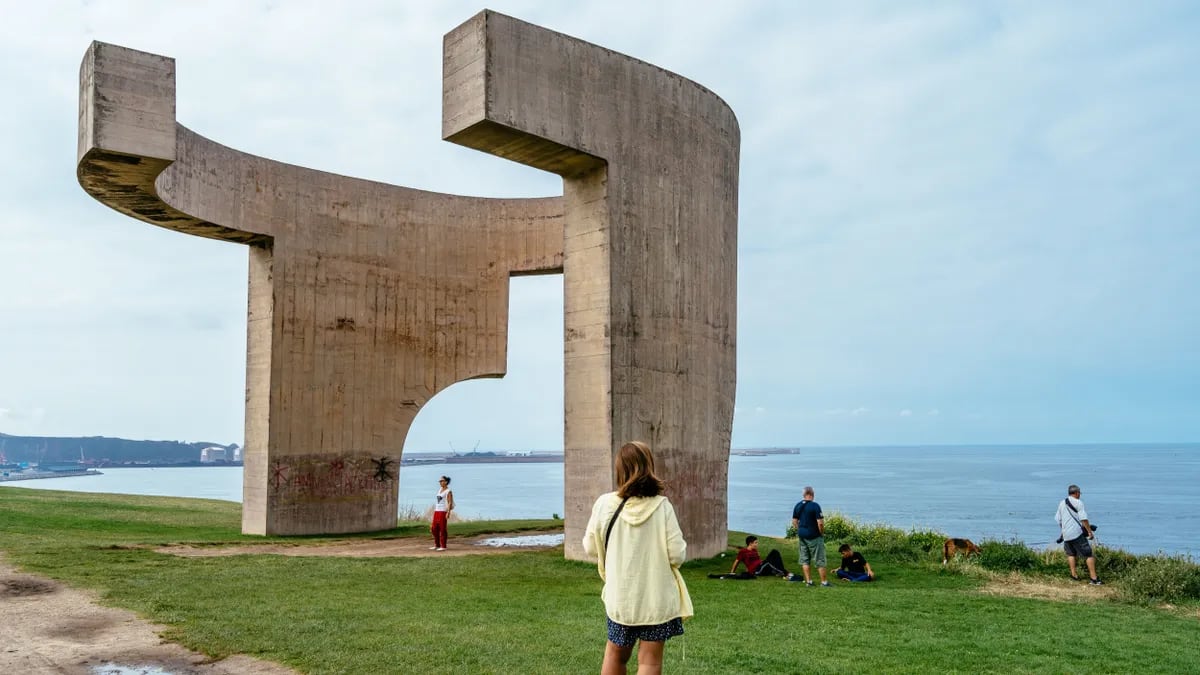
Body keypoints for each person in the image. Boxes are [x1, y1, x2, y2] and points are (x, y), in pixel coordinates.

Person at [583, 441, 692, 675]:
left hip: (620, 598)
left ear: (619, 469)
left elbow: (590, 547)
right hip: (655, 599)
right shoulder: (662, 507)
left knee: (615, 654)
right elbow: (677, 554)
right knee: (649, 662)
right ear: (648, 466)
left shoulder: (604, 504)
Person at [1055, 484, 1102, 584]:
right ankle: (1094, 579)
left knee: (1071, 554)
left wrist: (1063, 531)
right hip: (1076, 533)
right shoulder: (1078, 503)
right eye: (1079, 493)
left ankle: (1074, 575)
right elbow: (1083, 518)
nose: (1080, 495)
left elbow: (1058, 519)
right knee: (1089, 554)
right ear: (1076, 493)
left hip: (1066, 534)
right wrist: (1089, 532)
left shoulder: (1062, 503)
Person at [791, 486, 830, 586]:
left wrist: (800, 529)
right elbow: (820, 523)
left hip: (802, 536)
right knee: (819, 559)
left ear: (804, 495)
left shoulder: (798, 505)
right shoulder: (815, 506)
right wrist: (821, 533)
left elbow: (794, 521)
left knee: (805, 559)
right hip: (814, 536)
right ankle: (824, 582)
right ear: (812, 495)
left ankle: (809, 582)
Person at [709, 535, 790, 579]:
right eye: (756, 543)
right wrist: (732, 572)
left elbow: (757, 561)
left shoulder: (755, 550)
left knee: (774, 554)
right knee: (770, 558)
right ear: (750, 543)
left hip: (761, 567)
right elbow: (736, 561)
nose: (757, 544)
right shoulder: (743, 552)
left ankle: (782, 572)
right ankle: (784, 573)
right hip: (756, 571)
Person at [430, 475, 454, 551]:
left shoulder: (448, 491)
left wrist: (448, 512)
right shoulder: (440, 489)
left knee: (442, 528)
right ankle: (437, 545)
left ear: (446, 482)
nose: (440, 482)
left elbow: (450, 502)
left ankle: (443, 546)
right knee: (434, 528)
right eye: (439, 481)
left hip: (443, 511)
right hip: (437, 511)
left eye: (442, 481)